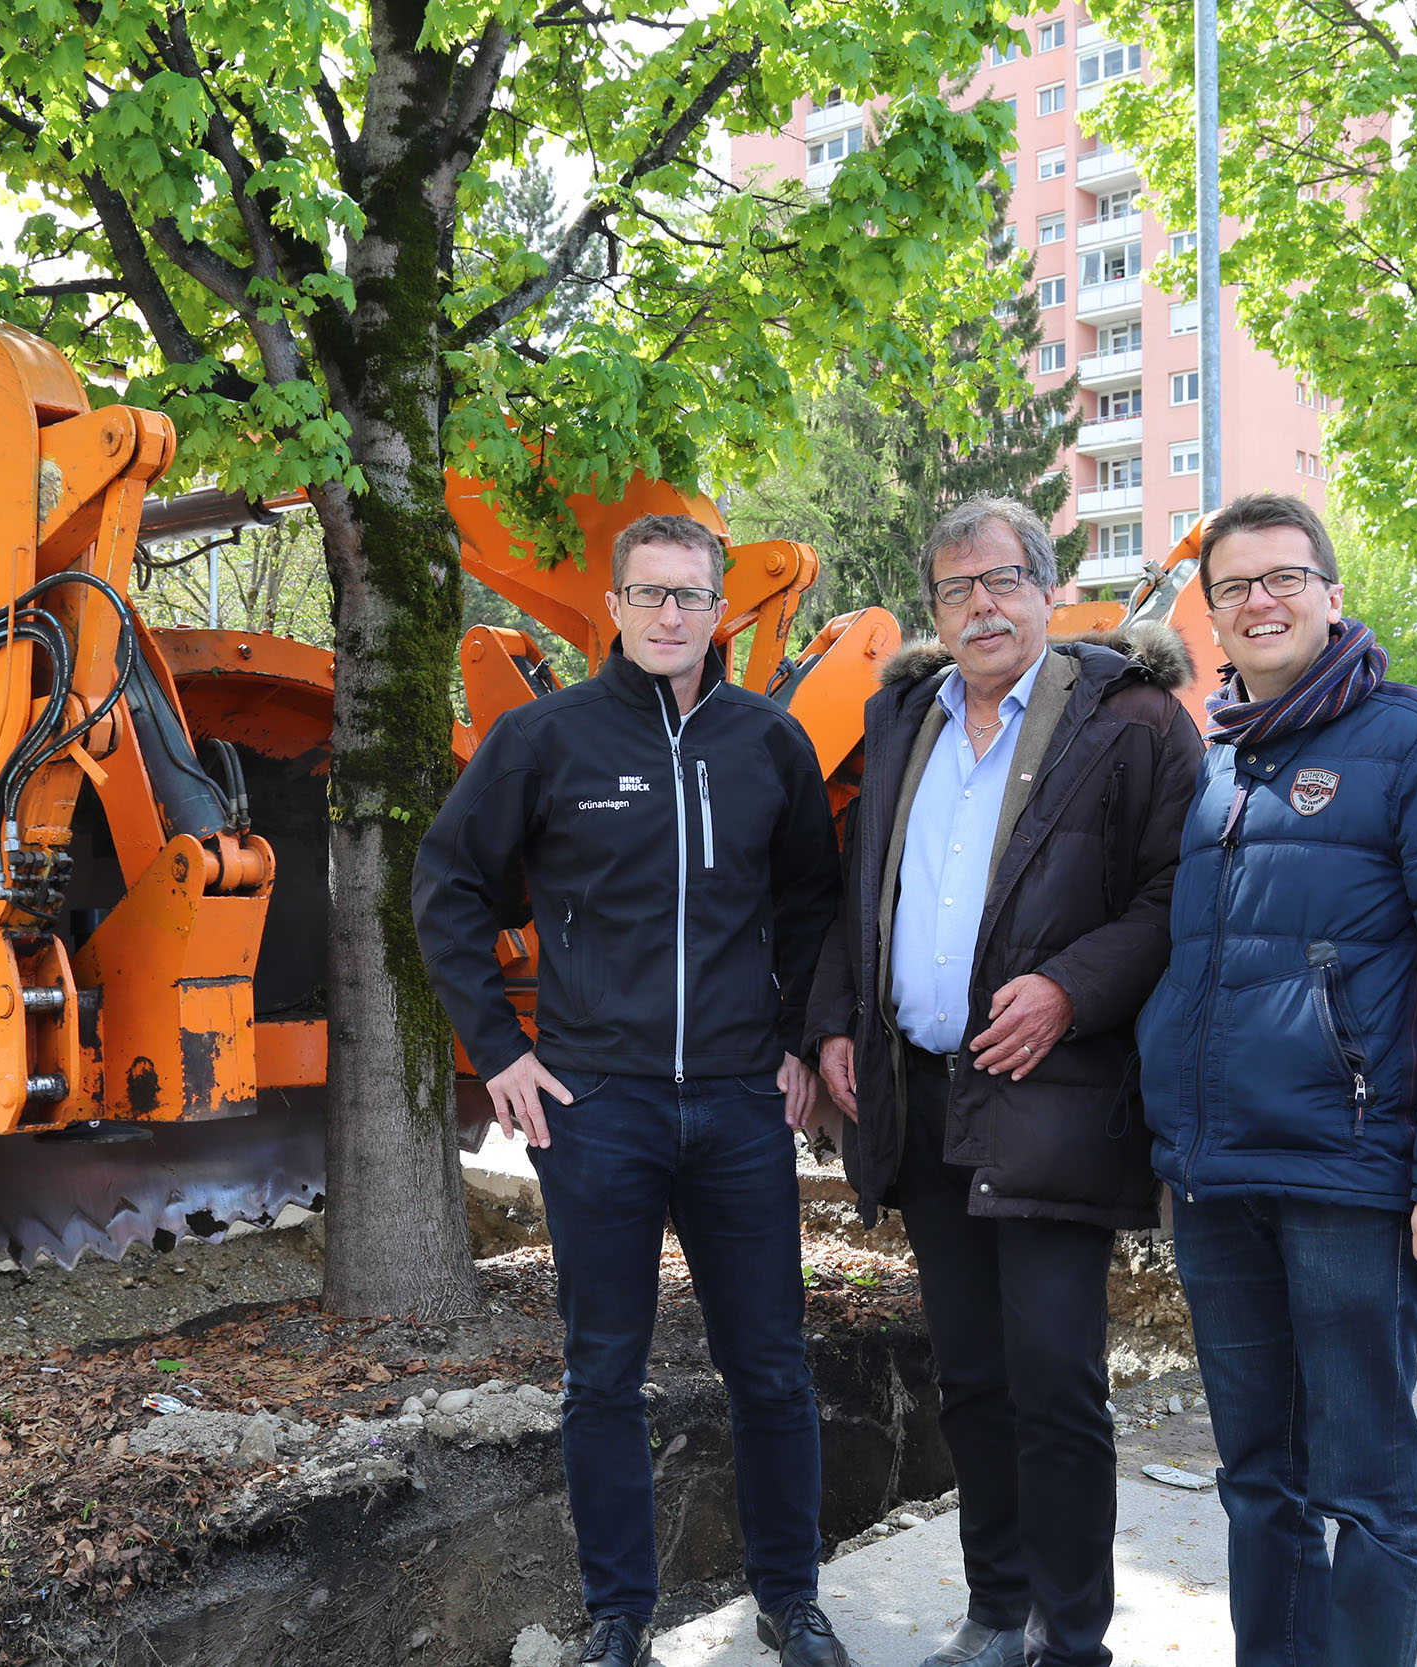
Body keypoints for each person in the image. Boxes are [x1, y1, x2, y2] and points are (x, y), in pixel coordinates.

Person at [412, 513, 849, 1667]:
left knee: (770, 1362)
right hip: (594, 1104)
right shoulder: (543, 740)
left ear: (720, 611)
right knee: (601, 1369)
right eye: (648, 594)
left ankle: (790, 1597)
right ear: (611, 605)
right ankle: (618, 1614)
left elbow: (812, 902)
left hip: (739, 1106)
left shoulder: (769, 743)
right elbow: (448, 881)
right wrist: (498, 1047)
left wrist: (804, 1037)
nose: (668, 616)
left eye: (690, 597)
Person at [1133, 492, 1417, 1667]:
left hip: (1353, 1178)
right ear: (1209, 613)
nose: (1258, 600)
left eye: (1282, 577)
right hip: (1220, 1178)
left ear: (1329, 592)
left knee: (1361, 1482)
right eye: (1234, 586)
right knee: (1256, 1479)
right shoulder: (1217, 764)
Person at [806, 495, 1202, 1667]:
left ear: (1043, 586)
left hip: (1053, 1100)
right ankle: (995, 1613)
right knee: (970, 1377)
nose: (980, 604)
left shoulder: (1127, 721)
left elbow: (1176, 894)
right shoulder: (902, 721)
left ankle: (1071, 1638)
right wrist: (837, 1020)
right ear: (934, 609)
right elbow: (854, 893)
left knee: (1055, 1383)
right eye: (955, 587)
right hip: (919, 1096)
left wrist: (1072, 989)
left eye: (1001, 580)